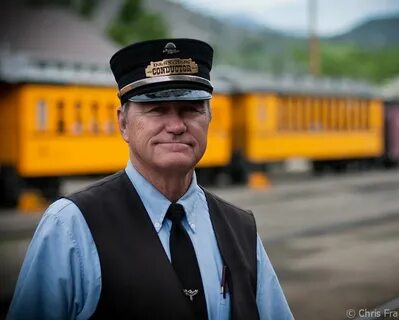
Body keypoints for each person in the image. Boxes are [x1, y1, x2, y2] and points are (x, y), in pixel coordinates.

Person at [7, 39, 293, 319]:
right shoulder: (72, 227)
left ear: (209, 118)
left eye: (190, 109)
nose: (177, 126)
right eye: (156, 109)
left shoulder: (241, 231)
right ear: (123, 123)